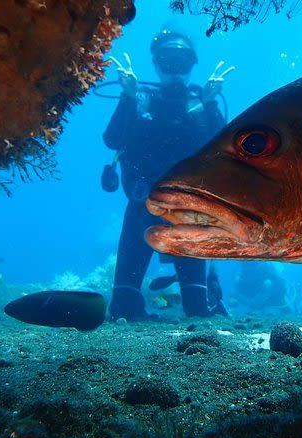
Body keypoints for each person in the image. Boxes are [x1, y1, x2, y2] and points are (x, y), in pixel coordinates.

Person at [103, 28, 234, 321]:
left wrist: (212, 102)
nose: (175, 70)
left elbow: (224, 151)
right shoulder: (140, 100)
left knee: (198, 309)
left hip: (188, 213)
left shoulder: (202, 104)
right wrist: (127, 97)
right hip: (141, 207)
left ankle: (203, 294)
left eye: (182, 62)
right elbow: (113, 140)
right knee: (122, 308)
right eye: (167, 62)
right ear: (157, 64)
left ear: (192, 65)